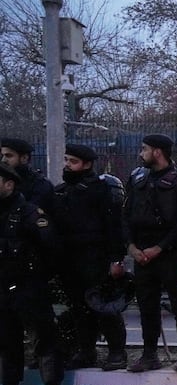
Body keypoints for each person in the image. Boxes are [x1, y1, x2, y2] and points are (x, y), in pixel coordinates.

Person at [123, 134, 177, 373]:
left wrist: (160, 247)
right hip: (142, 255)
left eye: (144, 149)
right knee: (147, 307)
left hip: (170, 254)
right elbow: (125, 216)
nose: (140, 153)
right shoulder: (137, 178)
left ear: (158, 152)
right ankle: (149, 355)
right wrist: (131, 247)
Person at [51, 144, 129, 371]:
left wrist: (116, 259)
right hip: (69, 260)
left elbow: (114, 227)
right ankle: (86, 351)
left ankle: (117, 352)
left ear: (86, 164)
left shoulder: (101, 190)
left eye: (72, 161)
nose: (67, 165)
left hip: (95, 258)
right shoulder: (62, 191)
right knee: (78, 309)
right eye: (66, 160)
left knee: (103, 307)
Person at [0, 162, 65, 385]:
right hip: (2, 288)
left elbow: (53, 249)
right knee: (7, 341)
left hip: (28, 287)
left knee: (44, 340)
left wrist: (37, 279)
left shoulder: (28, 213)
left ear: (9, 184)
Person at [0, 137, 55, 214]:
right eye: (2, 156)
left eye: (9, 156)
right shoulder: (3, 180)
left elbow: (30, 214)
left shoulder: (40, 185)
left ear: (24, 158)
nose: (3, 160)